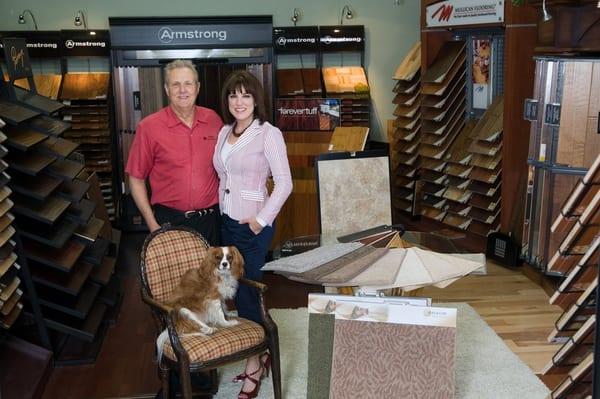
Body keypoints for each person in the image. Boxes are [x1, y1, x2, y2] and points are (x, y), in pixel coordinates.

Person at [213, 70, 292, 399]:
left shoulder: (268, 134)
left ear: (256, 100)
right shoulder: (222, 132)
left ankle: (255, 367)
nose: (239, 101)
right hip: (227, 223)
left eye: (246, 95)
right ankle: (261, 354)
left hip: (252, 226)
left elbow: (285, 183)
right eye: (233, 95)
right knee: (235, 294)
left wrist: (261, 220)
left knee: (247, 296)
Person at [126, 59, 222, 245]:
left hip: (212, 222)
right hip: (170, 223)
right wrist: (152, 225)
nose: (183, 90)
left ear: (198, 87)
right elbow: (136, 179)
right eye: (175, 84)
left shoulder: (213, 120)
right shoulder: (149, 127)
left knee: (213, 275)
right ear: (166, 89)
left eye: (188, 83)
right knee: (178, 276)